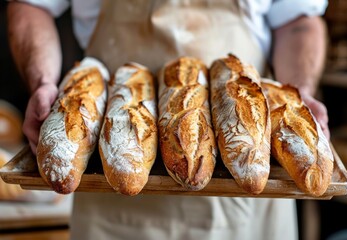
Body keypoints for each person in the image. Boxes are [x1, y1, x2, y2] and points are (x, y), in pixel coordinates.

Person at [7, 0, 330, 239]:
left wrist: (298, 91)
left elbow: (299, 20)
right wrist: (43, 82)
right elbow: (31, 5)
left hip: (246, 194)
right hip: (109, 174)